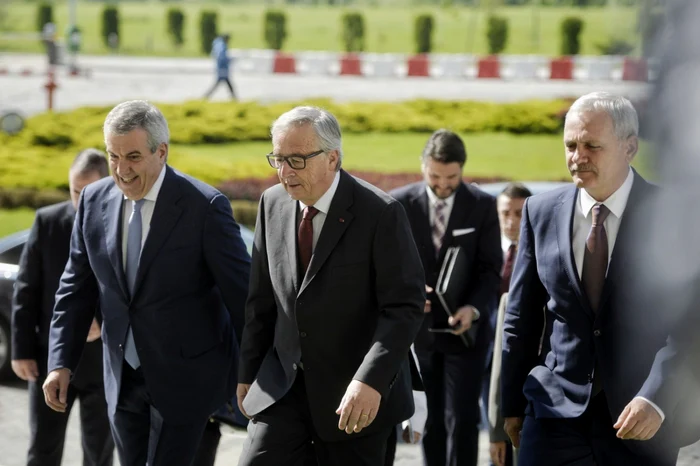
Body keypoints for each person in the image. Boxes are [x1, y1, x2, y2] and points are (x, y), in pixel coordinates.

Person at [42, 100, 251, 466]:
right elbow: (76, 287)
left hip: (187, 381)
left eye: (133, 157)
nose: (121, 170)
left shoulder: (205, 207)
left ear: (161, 151)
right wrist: (60, 361)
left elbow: (242, 298)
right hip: (122, 379)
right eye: (113, 156)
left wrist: (249, 375)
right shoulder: (93, 200)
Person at [501, 92, 685, 466]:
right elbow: (521, 319)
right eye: (570, 145)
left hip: (639, 421)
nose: (577, 157)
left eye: (592, 145)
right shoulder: (540, 212)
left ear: (630, 147)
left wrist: (656, 399)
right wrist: (511, 406)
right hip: (552, 414)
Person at [236, 106, 425, 466]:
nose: (284, 172)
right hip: (284, 389)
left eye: (296, 159)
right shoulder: (271, 204)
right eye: (277, 159)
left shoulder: (381, 213)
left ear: (332, 158)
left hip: (355, 398)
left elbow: (404, 308)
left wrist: (370, 381)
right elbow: (260, 301)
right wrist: (248, 372)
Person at [390, 129, 502, 466]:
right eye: (435, 176)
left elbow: (490, 269)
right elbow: (385, 264)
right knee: (431, 420)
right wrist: (406, 293)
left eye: (451, 177)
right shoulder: (397, 203)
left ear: (462, 170)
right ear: (422, 166)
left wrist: (473, 308)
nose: (442, 184)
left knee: (464, 419)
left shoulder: (482, 205)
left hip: (464, 334)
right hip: (418, 333)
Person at [11, 148, 114, 466]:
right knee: (43, 448)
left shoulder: (122, 224)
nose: (79, 200)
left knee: (99, 454)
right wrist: (21, 350)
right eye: (74, 191)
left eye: (86, 192)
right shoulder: (48, 221)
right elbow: (26, 289)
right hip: (50, 360)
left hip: (102, 363)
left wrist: (101, 322)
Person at [487, 182, 532, 466]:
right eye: (505, 213)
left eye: (519, 213)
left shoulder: (538, 256)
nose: (511, 221)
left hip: (520, 366)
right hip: (485, 363)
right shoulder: (486, 252)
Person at [204, 34, 236, 100]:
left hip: (221, 68)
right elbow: (222, 57)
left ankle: (206, 97)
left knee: (222, 83)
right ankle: (205, 97)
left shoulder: (218, 44)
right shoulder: (222, 46)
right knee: (222, 83)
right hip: (222, 68)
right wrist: (229, 60)